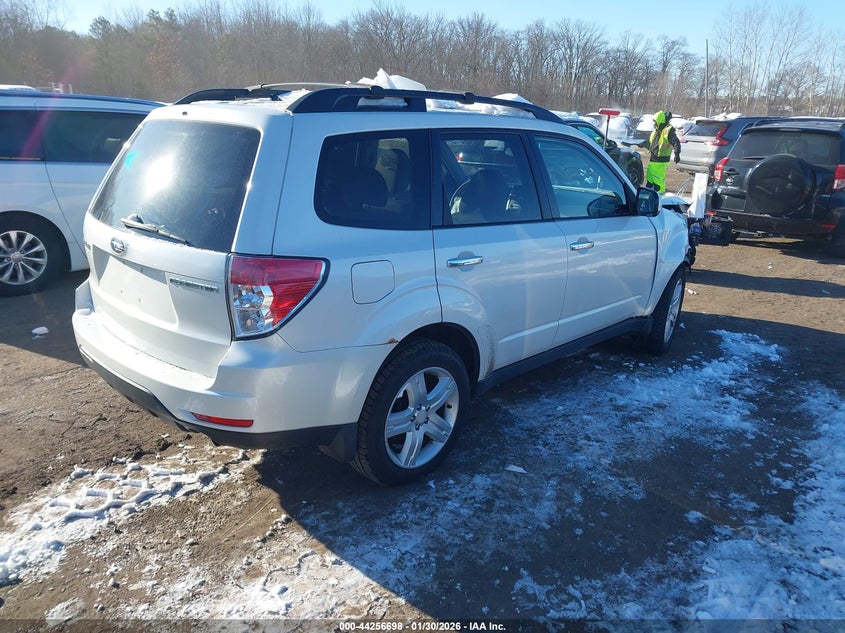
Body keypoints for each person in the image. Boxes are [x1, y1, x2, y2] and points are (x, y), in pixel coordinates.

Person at [642, 110, 681, 193]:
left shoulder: (668, 130)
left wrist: (677, 154)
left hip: (661, 161)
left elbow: (676, 142)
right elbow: (651, 143)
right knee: (650, 180)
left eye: (655, 122)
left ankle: (660, 199)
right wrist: (641, 144)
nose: (654, 124)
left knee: (658, 182)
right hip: (653, 160)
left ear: (660, 121)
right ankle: (647, 196)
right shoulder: (656, 131)